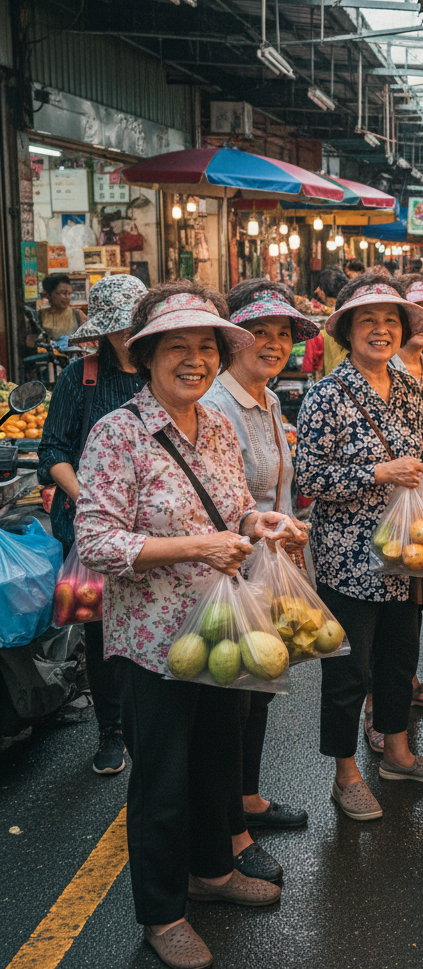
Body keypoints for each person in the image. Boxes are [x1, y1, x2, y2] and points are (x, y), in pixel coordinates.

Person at [74, 283, 307, 969]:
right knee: (162, 784)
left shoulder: (216, 426)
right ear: (146, 356)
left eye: (206, 347)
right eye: (177, 346)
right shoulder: (119, 434)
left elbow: (232, 510)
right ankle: (161, 913)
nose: (195, 360)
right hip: (153, 644)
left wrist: (256, 523)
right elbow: (97, 541)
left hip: (223, 630)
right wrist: (195, 547)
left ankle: (212, 871)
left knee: (216, 763)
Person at [295, 273, 423, 822]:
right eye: (368, 321)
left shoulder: (412, 388)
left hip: (408, 553)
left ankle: (397, 753)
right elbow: (311, 476)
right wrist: (375, 472)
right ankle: (346, 775)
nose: (381, 330)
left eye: (390, 321)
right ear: (347, 330)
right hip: (350, 559)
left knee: (399, 660)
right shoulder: (327, 394)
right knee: (349, 671)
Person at [201, 280, 321, 881]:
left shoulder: (269, 399)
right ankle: (233, 833)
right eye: (261, 333)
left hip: (267, 567)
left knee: (259, 693)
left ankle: (248, 797)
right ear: (233, 340)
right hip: (228, 575)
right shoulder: (218, 406)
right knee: (231, 706)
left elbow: (273, 492)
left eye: (284, 334)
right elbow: (228, 499)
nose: (274, 344)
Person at [37, 273, 149, 776]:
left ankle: (151, 721)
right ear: (102, 331)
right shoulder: (79, 377)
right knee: (103, 635)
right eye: (119, 327)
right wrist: (92, 503)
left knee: (154, 623)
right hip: (94, 526)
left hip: (155, 527)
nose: (127, 335)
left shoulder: (162, 370)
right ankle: (112, 731)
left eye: (135, 325)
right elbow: (54, 453)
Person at [39, 273, 85, 338]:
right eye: (62, 293)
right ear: (48, 294)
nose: (67, 297)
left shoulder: (78, 315)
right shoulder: (40, 316)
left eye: (69, 293)